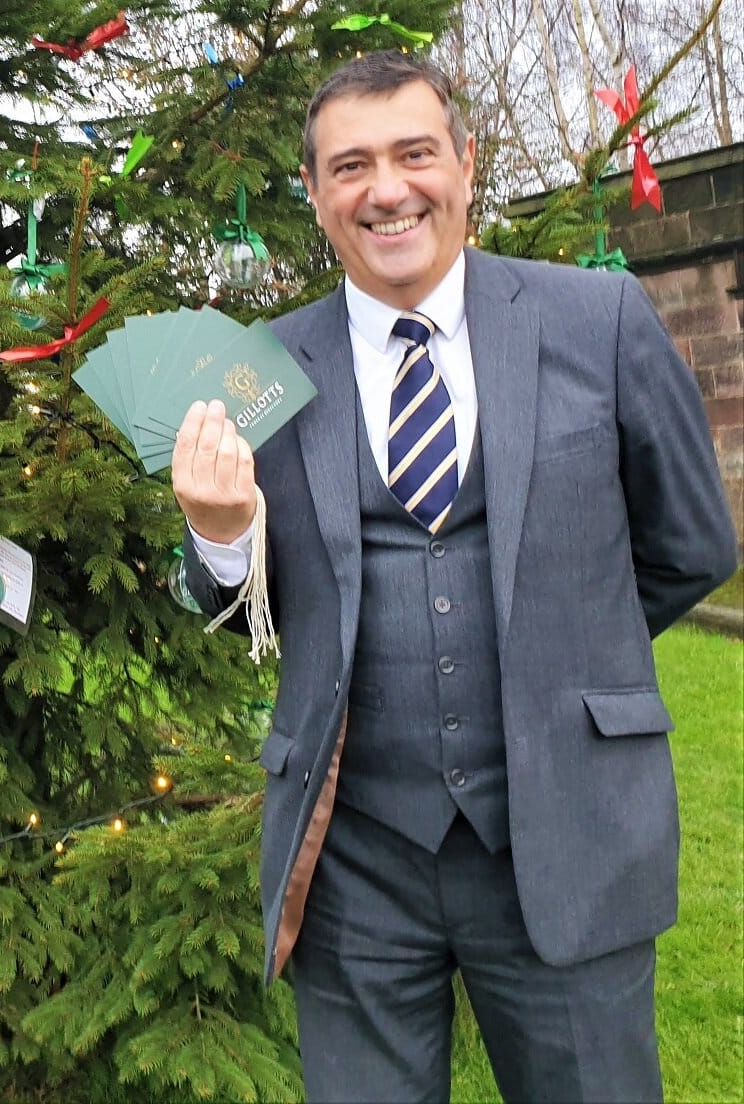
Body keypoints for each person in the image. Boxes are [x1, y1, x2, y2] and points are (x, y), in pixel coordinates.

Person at [172, 54, 735, 1103]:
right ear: (315, 193)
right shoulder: (262, 368)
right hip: (355, 858)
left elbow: (692, 545)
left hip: (567, 832)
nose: (386, 189)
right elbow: (217, 606)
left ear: (466, 167)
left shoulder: (598, 323)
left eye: (413, 154)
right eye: (351, 166)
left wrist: (566, 655)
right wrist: (215, 533)